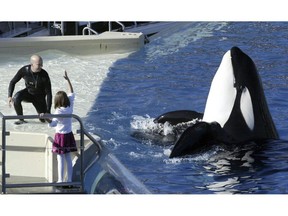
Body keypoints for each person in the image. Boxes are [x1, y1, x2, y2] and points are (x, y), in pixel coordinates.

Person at [40, 70, 77, 184]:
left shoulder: (58, 111)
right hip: (69, 135)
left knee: (60, 158)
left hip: (60, 137)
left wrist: (45, 117)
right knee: (68, 158)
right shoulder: (70, 105)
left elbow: (53, 124)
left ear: (57, 101)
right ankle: (69, 181)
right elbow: (72, 92)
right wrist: (68, 80)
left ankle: (61, 180)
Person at [8, 54, 52, 125]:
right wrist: (9, 96)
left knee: (44, 121)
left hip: (39, 97)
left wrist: (48, 111)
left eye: (41, 64)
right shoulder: (24, 70)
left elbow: (49, 93)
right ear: (32, 64)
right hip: (29, 93)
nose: (41, 66)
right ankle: (21, 119)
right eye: (39, 64)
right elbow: (12, 82)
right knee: (16, 98)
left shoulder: (44, 75)